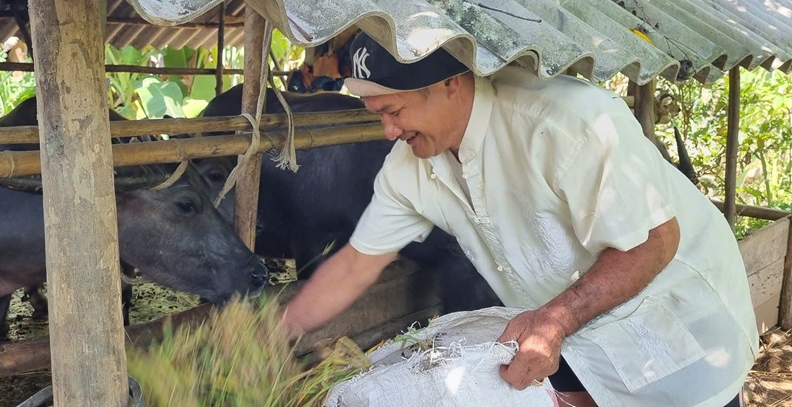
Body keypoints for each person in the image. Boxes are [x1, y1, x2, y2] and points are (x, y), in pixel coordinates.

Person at [282, 33, 758, 407]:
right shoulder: (410, 167)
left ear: (450, 84)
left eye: (394, 111)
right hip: (570, 329)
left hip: (674, 314)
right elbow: (354, 265)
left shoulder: (567, 123)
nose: (387, 131)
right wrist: (275, 332)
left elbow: (653, 242)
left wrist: (555, 319)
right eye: (377, 114)